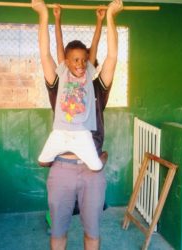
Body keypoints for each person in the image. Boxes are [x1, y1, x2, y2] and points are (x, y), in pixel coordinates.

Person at [32, 0, 123, 249]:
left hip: (90, 172)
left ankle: (98, 159)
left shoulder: (97, 87)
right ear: (68, 64)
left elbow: (112, 56)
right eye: (74, 61)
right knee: (58, 232)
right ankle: (99, 158)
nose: (80, 65)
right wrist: (44, 15)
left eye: (84, 61)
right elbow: (46, 54)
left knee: (92, 233)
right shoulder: (58, 86)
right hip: (62, 166)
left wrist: (111, 17)